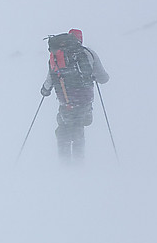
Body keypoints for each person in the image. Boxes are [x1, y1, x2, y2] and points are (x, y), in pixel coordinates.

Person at [40, 29, 109, 160]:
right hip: (84, 99)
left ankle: (64, 164)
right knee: (79, 127)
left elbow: (51, 77)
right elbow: (103, 78)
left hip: (65, 99)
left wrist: (45, 90)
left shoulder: (57, 55)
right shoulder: (88, 53)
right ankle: (78, 164)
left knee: (64, 128)